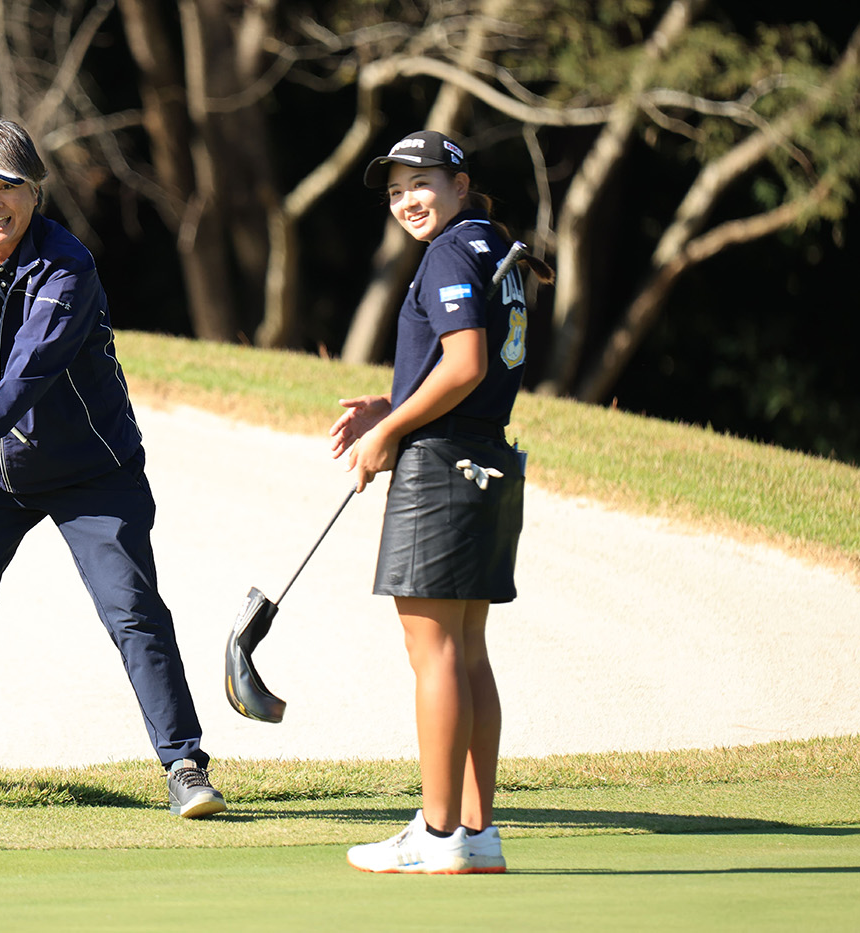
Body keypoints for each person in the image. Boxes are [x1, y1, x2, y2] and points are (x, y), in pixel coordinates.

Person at [0, 116, 226, 819]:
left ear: (36, 191)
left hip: (94, 472)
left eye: (7, 187)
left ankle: (184, 764)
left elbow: (28, 373)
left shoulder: (67, 266)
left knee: (131, 608)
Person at [331, 130, 551, 873]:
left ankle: (436, 832)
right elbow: (463, 369)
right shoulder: (490, 244)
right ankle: (476, 834)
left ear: (460, 184)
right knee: (466, 651)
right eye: (395, 192)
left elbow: (465, 365)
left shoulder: (451, 253)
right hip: (485, 458)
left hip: (441, 466)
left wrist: (390, 430)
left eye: (420, 184)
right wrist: (392, 403)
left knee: (435, 651)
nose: (406, 201)